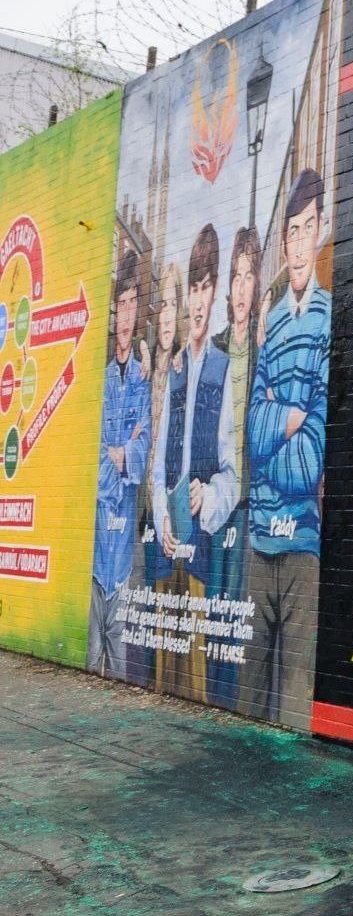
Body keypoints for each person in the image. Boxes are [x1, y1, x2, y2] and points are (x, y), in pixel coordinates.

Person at [243, 171, 330, 727]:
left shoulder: (328, 321)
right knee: (249, 703)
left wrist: (287, 420)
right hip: (258, 544)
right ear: (283, 242)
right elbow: (254, 432)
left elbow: (310, 460)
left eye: (307, 230)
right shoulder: (270, 326)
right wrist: (286, 419)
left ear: (321, 232)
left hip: (302, 544)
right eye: (291, 233)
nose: (298, 245)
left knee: (296, 711)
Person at [149, 224, 237, 704]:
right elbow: (160, 461)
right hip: (167, 543)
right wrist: (162, 512)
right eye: (194, 288)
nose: (200, 300)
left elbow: (231, 472)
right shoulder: (174, 368)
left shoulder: (222, 371)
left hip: (200, 545)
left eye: (207, 287)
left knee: (197, 679)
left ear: (215, 290)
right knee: (164, 673)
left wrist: (210, 497)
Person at [90, 249, 152, 682]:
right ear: (113, 312)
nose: (126, 314)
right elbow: (92, 452)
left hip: (124, 542)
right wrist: (116, 455)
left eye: (133, 304)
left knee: (123, 670)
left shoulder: (142, 379)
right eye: (121, 304)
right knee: (90, 661)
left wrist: (124, 452)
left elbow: (143, 447)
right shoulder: (102, 376)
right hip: (96, 542)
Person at [205, 226, 260, 706]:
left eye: (249, 277)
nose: (241, 288)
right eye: (236, 277)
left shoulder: (261, 348)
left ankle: (225, 696)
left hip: (249, 499)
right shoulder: (218, 348)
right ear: (228, 289)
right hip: (219, 493)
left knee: (236, 599)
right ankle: (210, 691)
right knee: (213, 600)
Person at [140, 262, 184, 692]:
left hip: (173, 510)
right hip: (145, 512)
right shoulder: (149, 366)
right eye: (163, 306)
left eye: (175, 305)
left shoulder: (185, 366)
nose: (168, 316)